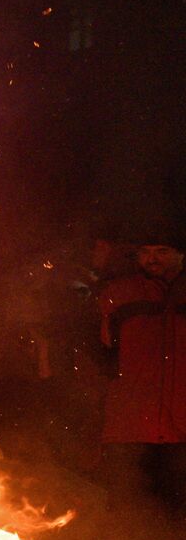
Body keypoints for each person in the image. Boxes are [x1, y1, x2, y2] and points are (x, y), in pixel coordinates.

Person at [97, 220, 186, 513]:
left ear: (180, 254)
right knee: (131, 515)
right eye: (146, 252)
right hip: (130, 428)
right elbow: (98, 352)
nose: (153, 258)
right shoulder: (118, 293)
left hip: (180, 429)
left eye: (162, 250)